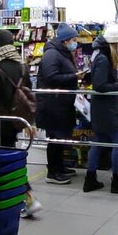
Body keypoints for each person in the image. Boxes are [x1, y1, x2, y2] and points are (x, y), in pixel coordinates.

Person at [0, 29, 42, 218]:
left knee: (2, 164)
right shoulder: (22, 66)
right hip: (17, 121)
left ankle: (25, 198)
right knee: (12, 158)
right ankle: (24, 198)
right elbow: (28, 92)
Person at [83, 24, 118, 194]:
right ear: (114, 44)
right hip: (105, 108)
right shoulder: (103, 59)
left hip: (101, 107)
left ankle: (90, 179)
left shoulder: (101, 55)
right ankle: (117, 180)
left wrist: (117, 81)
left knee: (99, 141)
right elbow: (99, 86)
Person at [37, 22, 79, 184]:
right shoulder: (52, 54)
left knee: (60, 137)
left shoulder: (62, 53)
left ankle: (59, 167)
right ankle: (53, 172)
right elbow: (51, 77)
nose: (75, 42)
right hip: (52, 104)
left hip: (60, 103)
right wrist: (74, 76)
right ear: (65, 40)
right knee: (55, 138)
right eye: (73, 39)